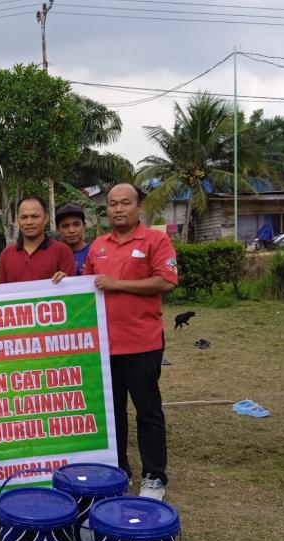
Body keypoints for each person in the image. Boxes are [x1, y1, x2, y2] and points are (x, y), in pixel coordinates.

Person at [83, 183, 178, 500]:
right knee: (114, 413)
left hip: (142, 343)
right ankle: (119, 471)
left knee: (148, 411)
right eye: (112, 204)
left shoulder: (156, 240)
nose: (118, 209)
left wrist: (117, 284)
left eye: (125, 203)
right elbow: (85, 287)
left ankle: (154, 476)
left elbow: (166, 281)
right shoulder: (98, 245)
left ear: (139, 207)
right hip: (104, 346)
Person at [0, 195, 75, 284]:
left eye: (35, 216)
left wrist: (65, 280)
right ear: (18, 220)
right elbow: (2, 294)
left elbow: (71, 292)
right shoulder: (6, 255)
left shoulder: (62, 251)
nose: (29, 222)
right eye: (24, 217)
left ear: (46, 218)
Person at [55, 202, 91, 275]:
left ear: (84, 226)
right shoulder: (51, 255)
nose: (71, 230)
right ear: (58, 229)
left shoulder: (94, 253)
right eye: (65, 226)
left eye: (76, 224)